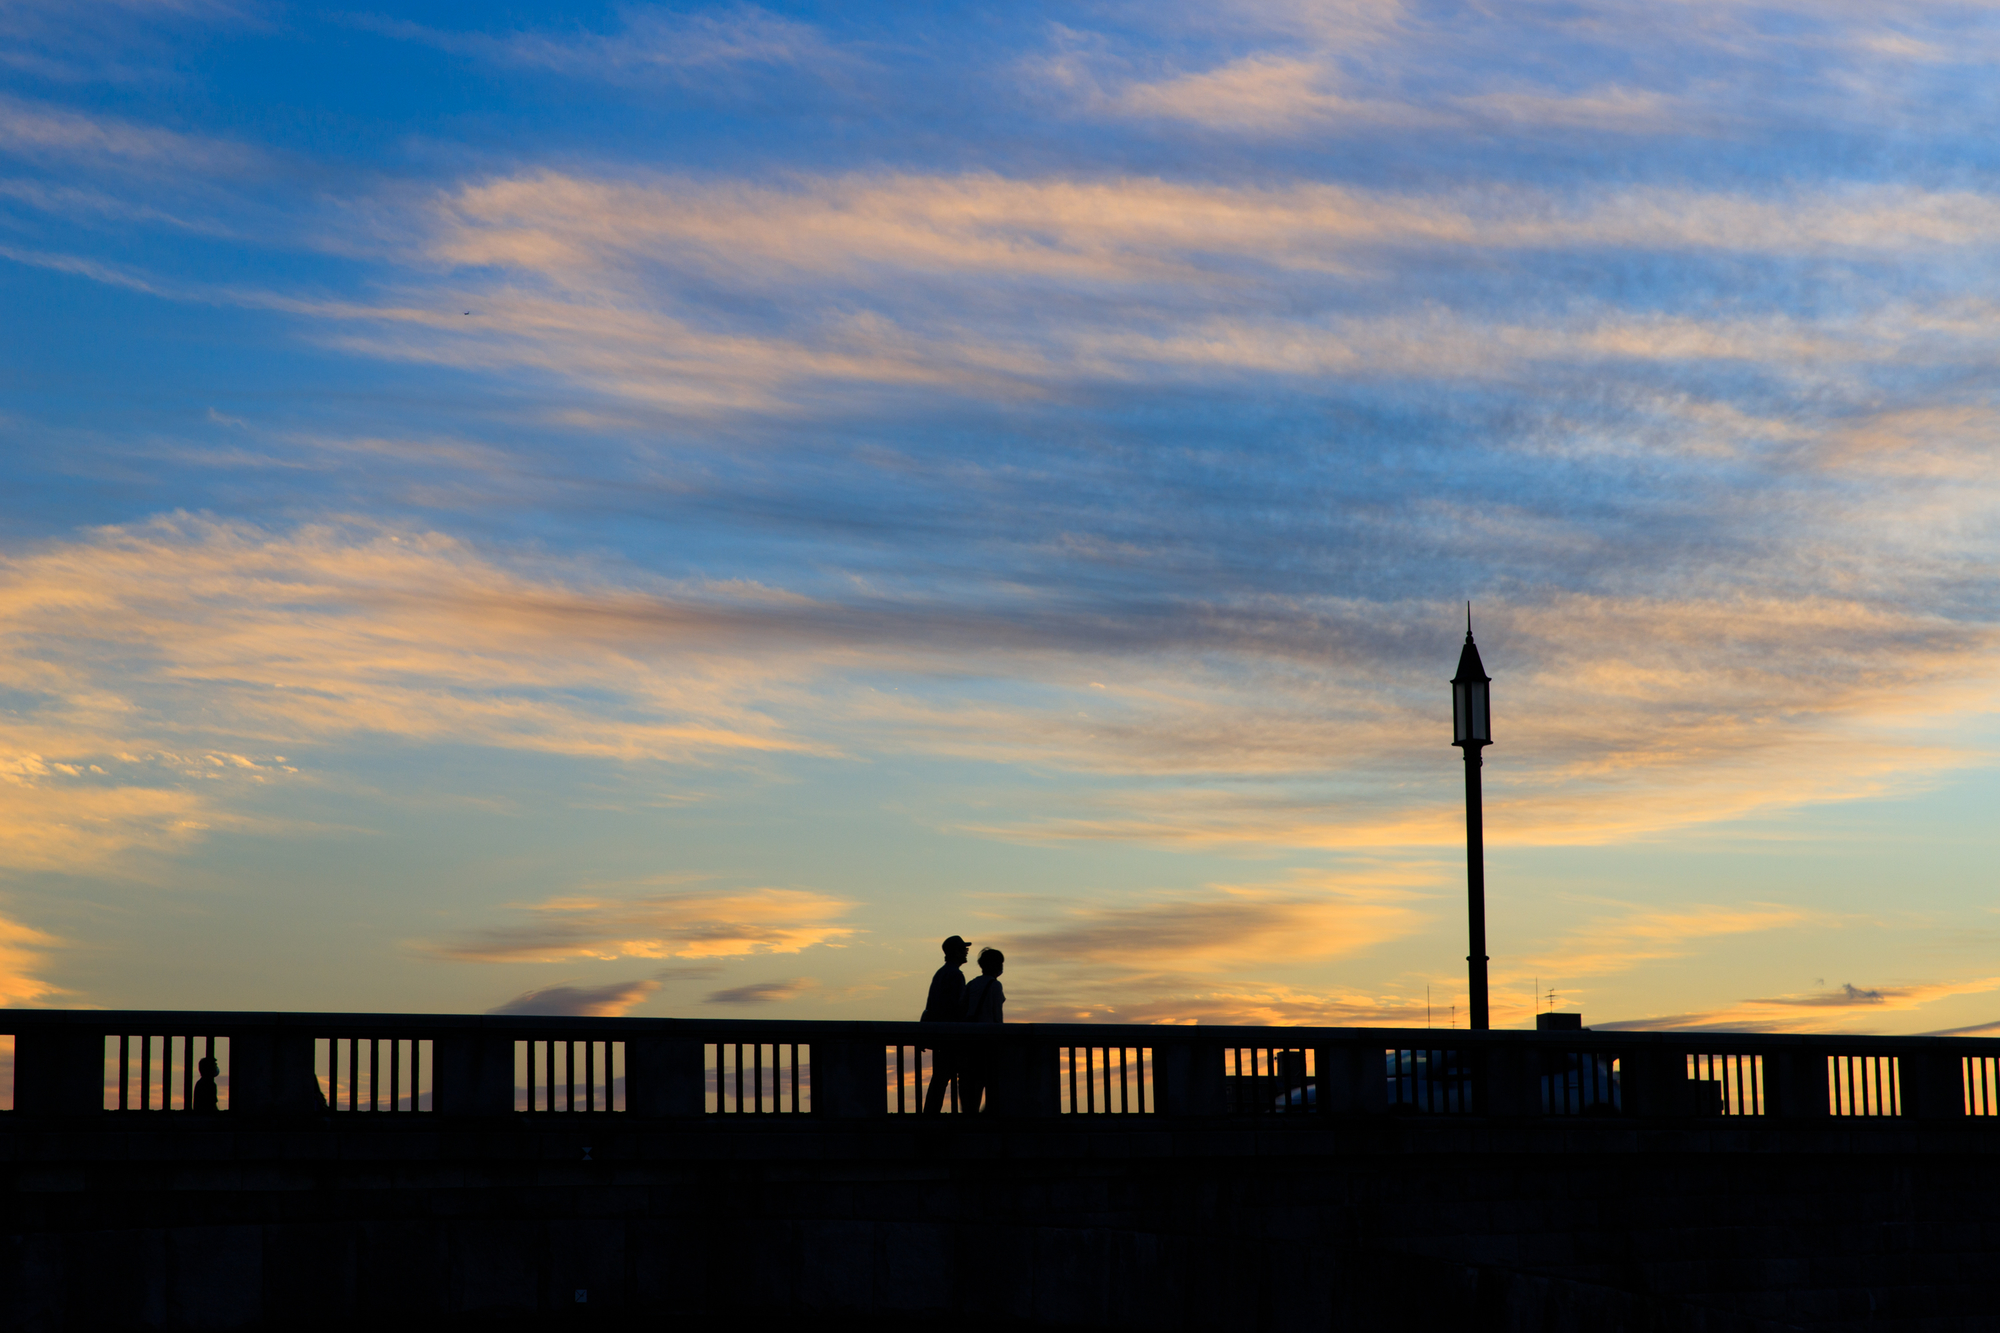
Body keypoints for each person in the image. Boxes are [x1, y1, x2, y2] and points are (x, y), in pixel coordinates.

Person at [919, 935, 970, 1114]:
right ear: (955, 952)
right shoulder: (955, 975)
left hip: (939, 1034)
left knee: (939, 1079)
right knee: (962, 1076)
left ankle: (930, 1115)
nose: (966, 952)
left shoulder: (941, 973)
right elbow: (958, 1007)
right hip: (951, 1036)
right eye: (964, 949)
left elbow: (930, 1005)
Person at [959, 948, 1005, 1112]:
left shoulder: (972, 984)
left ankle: (969, 1116)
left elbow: (962, 1009)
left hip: (969, 1040)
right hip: (988, 1042)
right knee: (992, 1081)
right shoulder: (995, 986)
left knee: (970, 1082)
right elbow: (997, 1018)